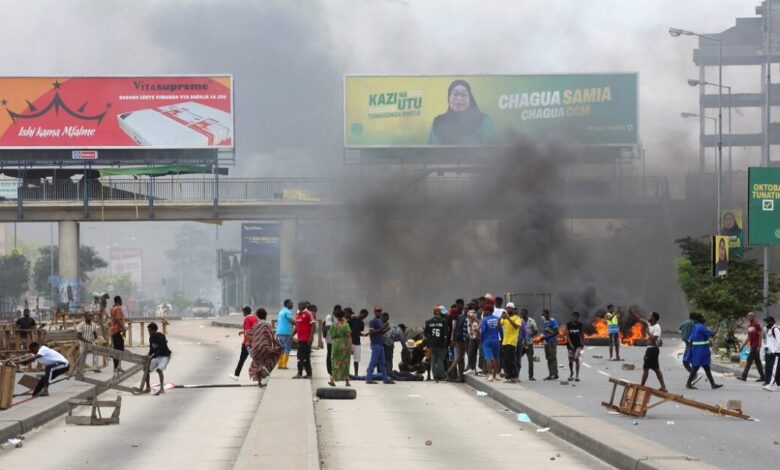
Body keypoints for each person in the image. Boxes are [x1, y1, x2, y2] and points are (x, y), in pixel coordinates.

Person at [428, 79, 495, 145]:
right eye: (455, 94)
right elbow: (430, 153)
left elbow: (492, 151)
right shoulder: (437, 123)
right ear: (449, 97)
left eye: (463, 94)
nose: (459, 98)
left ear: (470, 98)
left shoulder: (484, 121)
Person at [629, 307, 667, 392]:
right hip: (651, 349)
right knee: (656, 369)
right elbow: (640, 319)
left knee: (646, 368)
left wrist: (648, 333)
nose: (648, 317)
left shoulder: (657, 327)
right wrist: (632, 312)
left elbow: (654, 340)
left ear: (653, 318)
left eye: (650, 316)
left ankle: (642, 386)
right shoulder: (650, 324)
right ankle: (663, 387)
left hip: (652, 350)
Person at [684, 314, 723, 390]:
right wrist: (717, 326)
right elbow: (712, 334)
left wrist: (690, 351)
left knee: (706, 367)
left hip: (697, 350)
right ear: (699, 319)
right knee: (696, 367)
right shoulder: (701, 327)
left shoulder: (696, 327)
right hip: (701, 351)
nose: (704, 318)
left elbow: (691, 340)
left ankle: (713, 384)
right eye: (702, 317)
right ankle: (688, 383)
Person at [247, 308, 281, 387]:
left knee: (257, 364)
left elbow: (249, 334)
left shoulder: (255, 325)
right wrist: (280, 346)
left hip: (256, 349)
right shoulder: (267, 325)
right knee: (276, 355)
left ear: (257, 316)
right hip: (265, 348)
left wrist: (254, 343)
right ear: (265, 316)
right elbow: (271, 337)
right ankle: (265, 368)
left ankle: (259, 382)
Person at [141, 322, 172, 395]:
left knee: (159, 369)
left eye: (150, 330)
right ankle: (148, 387)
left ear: (155, 330)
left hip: (165, 356)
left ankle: (162, 389)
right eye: (148, 330)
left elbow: (161, 348)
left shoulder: (161, 337)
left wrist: (152, 356)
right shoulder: (151, 338)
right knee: (146, 370)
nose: (149, 332)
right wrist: (148, 355)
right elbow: (152, 349)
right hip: (157, 356)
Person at [365, 306, 394, 384]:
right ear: (374, 312)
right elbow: (371, 332)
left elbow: (380, 332)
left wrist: (385, 330)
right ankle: (368, 378)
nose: (379, 312)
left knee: (382, 362)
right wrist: (382, 329)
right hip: (375, 344)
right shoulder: (373, 321)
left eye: (380, 311)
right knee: (374, 361)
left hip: (381, 344)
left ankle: (385, 379)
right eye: (377, 311)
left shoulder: (380, 321)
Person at [228, 306, 257, 381]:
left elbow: (247, 331)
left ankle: (236, 375)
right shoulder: (255, 318)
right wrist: (242, 332)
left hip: (247, 343)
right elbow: (252, 329)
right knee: (255, 358)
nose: (243, 313)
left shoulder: (247, 318)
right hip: (254, 341)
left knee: (242, 359)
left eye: (243, 312)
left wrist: (247, 342)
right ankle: (260, 372)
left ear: (245, 312)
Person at [737, 312, 765, 382]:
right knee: (757, 362)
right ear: (747, 317)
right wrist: (742, 346)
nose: (750, 317)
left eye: (752, 316)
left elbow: (760, 335)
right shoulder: (749, 326)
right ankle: (763, 377)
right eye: (749, 316)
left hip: (755, 345)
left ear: (754, 316)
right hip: (752, 345)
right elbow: (749, 337)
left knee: (749, 359)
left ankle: (744, 376)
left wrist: (759, 345)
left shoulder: (757, 324)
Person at [424, 306, 450, 382]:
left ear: (434, 313)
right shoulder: (444, 321)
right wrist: (446, 343)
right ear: (440, 313)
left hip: (432, 344)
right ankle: (441, 376)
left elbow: (425, 333)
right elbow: (446, 334)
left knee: (433, 360)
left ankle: (435, 376)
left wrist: (429, 340)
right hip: (441, 344)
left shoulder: (428, 321)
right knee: (440, 360)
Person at [328, 308, 352, 387]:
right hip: (344, 344)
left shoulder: (333, 325)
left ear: (335, 316)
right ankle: (347, 381)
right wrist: (351, 347)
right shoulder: (346, 324)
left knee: (335, 361)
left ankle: (332, 379)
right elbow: (348, 336)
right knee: (345, 362)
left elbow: (331, 336)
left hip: (335, 344)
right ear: (343, 315)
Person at [499, 303, 521, 383]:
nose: (508, 310)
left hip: (512, 341)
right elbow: (499, 325)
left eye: (510, 308)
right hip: (505, 341)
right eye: (507, 308)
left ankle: (515, 376)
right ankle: (509, 375)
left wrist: (508, 318)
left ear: (513, 309)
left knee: (511, 359)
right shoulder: (505, 318)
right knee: (505, 360)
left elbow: (516, 326)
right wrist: (500, 318)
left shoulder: (516, 318)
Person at [293, 302, 315, 379]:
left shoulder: (308, 313)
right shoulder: (297, 314)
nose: (300, 306)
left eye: (302, 305)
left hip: (306, 339)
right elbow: (297, 326)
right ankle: (307, 373)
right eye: (299, 305)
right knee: (302, 356)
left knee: (303, 356)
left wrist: (311, 337)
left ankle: (300, 373)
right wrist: (292, 335)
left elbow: (313, 325)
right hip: (300, 338)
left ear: (305, 306)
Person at [480, 305, 502, 382]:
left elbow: (482, 331)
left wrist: (481, 339)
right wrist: (501, 339)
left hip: (487, 341)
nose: (484, 312)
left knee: (488, 358)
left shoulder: (484, 320)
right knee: (497, 358)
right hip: (496, 341)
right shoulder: (497, 319)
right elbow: (500, 330)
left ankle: (490, 375)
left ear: (488, 311)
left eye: (485, 310)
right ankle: (497, 375)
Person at [446, 305, 468, 381]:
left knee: (459, 358)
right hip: (459, 341)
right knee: (460, 358)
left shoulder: (459, 319)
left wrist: (454, 341)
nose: (451, 316)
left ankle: (453, 372)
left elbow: (457, 331)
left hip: (459, 340)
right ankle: (457, 375)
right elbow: (456, 331)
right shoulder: (459, 319)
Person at [275, 299, 296, 370]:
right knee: (287, 348)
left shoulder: (281, 311)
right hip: (286, 332)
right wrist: (299, 323)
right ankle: (284, 364)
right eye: (291, 303)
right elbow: (290, 320)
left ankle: (280, 364)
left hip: (279, 332)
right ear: (287, 304)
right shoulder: (288, 311)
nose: (292, 305)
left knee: (282, 348)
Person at [517, 308, 537, 381]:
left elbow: (535, 331)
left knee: (530, 361)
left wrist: (530, 335)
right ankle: (516, 375)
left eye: (523, 313)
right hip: (521, 344)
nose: (522, 315)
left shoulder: (532, 321)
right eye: (521, 314)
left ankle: (531, 376)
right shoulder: (519, 321)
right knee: (517, 359)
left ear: (526, 313)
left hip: (529, 344)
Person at [565, 311, 584, 382]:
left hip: (578, 345)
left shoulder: (580, 325)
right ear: (571, 317)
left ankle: (577, 376)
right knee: (570, 360)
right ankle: (571, 373)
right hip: (570, 345)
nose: (574, 318)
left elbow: (582, 334)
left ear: (578, 318)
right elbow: (567, 335)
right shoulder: (568, 325)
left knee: (577, 359)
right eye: (573, 316)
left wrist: (583, 343)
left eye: (576, 317)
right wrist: (570, 344)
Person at [763, 316, 780, 391]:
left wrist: (774, 351)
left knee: (774, 369)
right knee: (769, 367)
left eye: (768, 321)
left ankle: (771, 384)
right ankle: (774, 383)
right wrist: (765, 349)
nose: (767, 323)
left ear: (772, 321)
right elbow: (767, 341)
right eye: (766, 321)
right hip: (768, 351)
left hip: (775, 352)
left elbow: (779, 341)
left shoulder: (775, 329)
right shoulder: (767, 329)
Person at [541, 309, 559, 380]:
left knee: (553, 357)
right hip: (546, 342)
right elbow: (545, 332)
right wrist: (543, 337)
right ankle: (550, 374)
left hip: (552, 342)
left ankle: (555, 374)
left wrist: (547, 337)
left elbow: (557, 332)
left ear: (547, 314)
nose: (543, 316)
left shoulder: (553, 321)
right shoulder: (545, 322)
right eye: (542, 315)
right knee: (548, 358)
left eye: (544, 314)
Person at [349, 308, 367, 376]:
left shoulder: (362, 323)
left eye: (365, 317)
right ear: (360, 313)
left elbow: (358, 332)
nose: (363, 318)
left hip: (357, 342)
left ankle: (356, 374)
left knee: (356, 360)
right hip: (350, 341)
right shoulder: (352, 319)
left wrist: (364, 335)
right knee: (347, 358)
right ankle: (346, 373)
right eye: (363, 316)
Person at [110, 296, 126, 373]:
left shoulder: (112, 308)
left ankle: (116, 366)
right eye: (121, 300)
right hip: (118, 330)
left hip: (113, 330)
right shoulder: (118, 309)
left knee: (116, 348)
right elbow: (118, 320)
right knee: (120, 349)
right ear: (118, 300)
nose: (121, 301)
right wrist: (124, 329)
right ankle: (117, 366)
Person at [465, 309, 481, 375]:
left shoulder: (477, 321)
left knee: (478, 354)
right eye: (469, 316)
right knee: (471, 353)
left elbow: (480, 327)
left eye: (471, 316)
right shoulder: (468, 322)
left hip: (478, 338)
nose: (470, 317)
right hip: (472, 338)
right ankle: (472, 368)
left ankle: (478, 369)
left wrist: (478, 335)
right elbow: (469, 330)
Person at [324, 306, 338, 376]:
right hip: (330, 340)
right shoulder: (329, 316)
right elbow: (329, 327)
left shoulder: (338, 317)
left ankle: (335, 370)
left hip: (336, 340)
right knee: (330, 354)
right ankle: (330, 371)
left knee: (336, 355)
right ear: (334, 310)